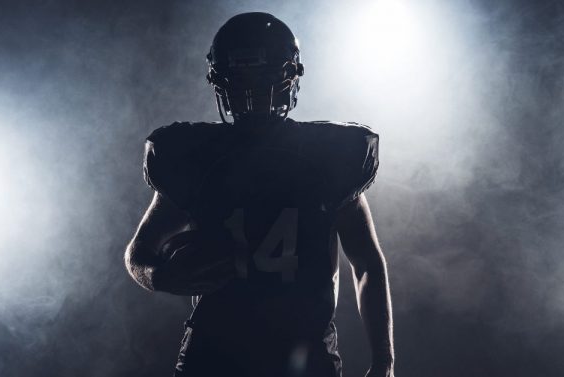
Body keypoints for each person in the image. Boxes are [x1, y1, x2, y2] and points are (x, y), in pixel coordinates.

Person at [124, 12, 395, 377]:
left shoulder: (323, 159)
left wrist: (384, 362)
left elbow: (367, 264)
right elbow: (139, 253)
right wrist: (159, 276)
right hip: (218, 351)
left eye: (262, 79)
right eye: (241, 81)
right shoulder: (204, 159)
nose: (252, 93)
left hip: (300, 352)